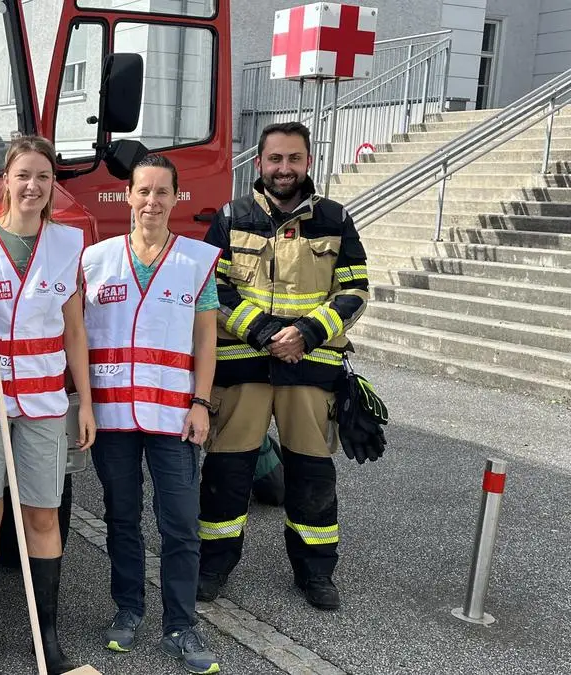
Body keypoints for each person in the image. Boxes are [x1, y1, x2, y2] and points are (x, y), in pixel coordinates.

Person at [197, 121, 370, 610]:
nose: (284, 168)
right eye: (275, 159)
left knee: (312, 477)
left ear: (308, 162)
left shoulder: (335, 219)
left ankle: (315, 574)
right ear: (259, 164)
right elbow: (213, 290)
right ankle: (213, 567)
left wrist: (307, 334)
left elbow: (355, 291)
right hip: (242, 371)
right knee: (226, 476)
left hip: (311, 370)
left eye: (294, 159)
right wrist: (268, 334)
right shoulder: (231, 216)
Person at [0, 135, 95, 675]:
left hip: (46, 399)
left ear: (53, 185)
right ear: (5, 180)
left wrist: (86, 402)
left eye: (44, 177)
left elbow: (75, 331)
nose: (33, 186)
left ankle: (47, 641)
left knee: (43, 515)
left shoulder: (67, 245)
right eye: (23, 175)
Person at [80, 154, 221, 675]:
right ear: (128, 196)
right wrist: (85, 407)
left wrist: (201, 403)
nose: (152, 202)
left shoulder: (196, 261)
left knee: (181, 524)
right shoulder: (94, 261)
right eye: (143, 191)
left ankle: (181, 624)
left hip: (174, 417)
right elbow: (77, 336)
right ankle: (128, 608)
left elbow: (206, 342)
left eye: (163, 192)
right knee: (122, 518)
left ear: (177, 198)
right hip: (113, 417)